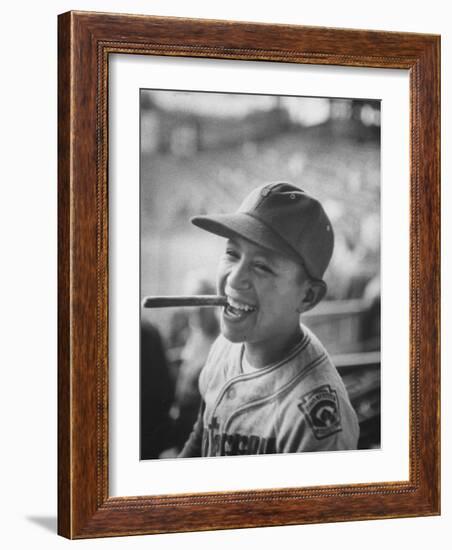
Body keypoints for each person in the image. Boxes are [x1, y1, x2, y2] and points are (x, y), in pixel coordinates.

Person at [179, 182, 359, 457]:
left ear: (308, 296)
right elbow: (200, 437)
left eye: (262, 266)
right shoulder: (224, 347)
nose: (235, 278)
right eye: (231, 254)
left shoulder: (315, 418)